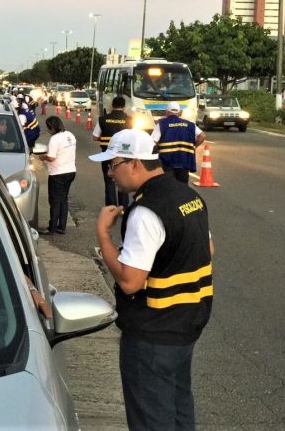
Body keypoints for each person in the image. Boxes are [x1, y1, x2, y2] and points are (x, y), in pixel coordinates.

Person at [89, 128, 214, 431]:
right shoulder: (188, 195)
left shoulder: (146, 212)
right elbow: (207, 248)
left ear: (133, 163)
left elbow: (130, 282)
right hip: (187, 324)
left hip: (153, 334)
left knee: (151, 418)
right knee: (178, 407)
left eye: (113, 164)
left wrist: (103, 235)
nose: (109, 173)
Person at [38, 116, 76, 235]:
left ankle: (52, 228)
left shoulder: (55, 139)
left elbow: (52, 157)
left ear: (52, 127)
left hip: (57, 173)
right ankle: (61, 226)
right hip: (70, 171)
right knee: (63, 199)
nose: (48, 131)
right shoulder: (70, 135)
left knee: (54, 201)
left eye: (48, 128)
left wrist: (42, 157)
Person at [151, 101, 206, 183]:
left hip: (167, 161)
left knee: (167, 186)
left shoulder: (162, 124)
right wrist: (193, 147)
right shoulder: (190, 124)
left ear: (167, 112)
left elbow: (152, 142)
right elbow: (202, 136)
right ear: (180, 113)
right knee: (182, 187)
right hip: (184, 160)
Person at [93, 96, 132, 207]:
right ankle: (123, 206)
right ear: (124, 107)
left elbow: (95, 137)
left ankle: (111, 207)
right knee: (123, 179)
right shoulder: (130, 120)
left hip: (107, 154)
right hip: (124, 155)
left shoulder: (103, 119)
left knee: (109, 180)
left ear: (112, 106)